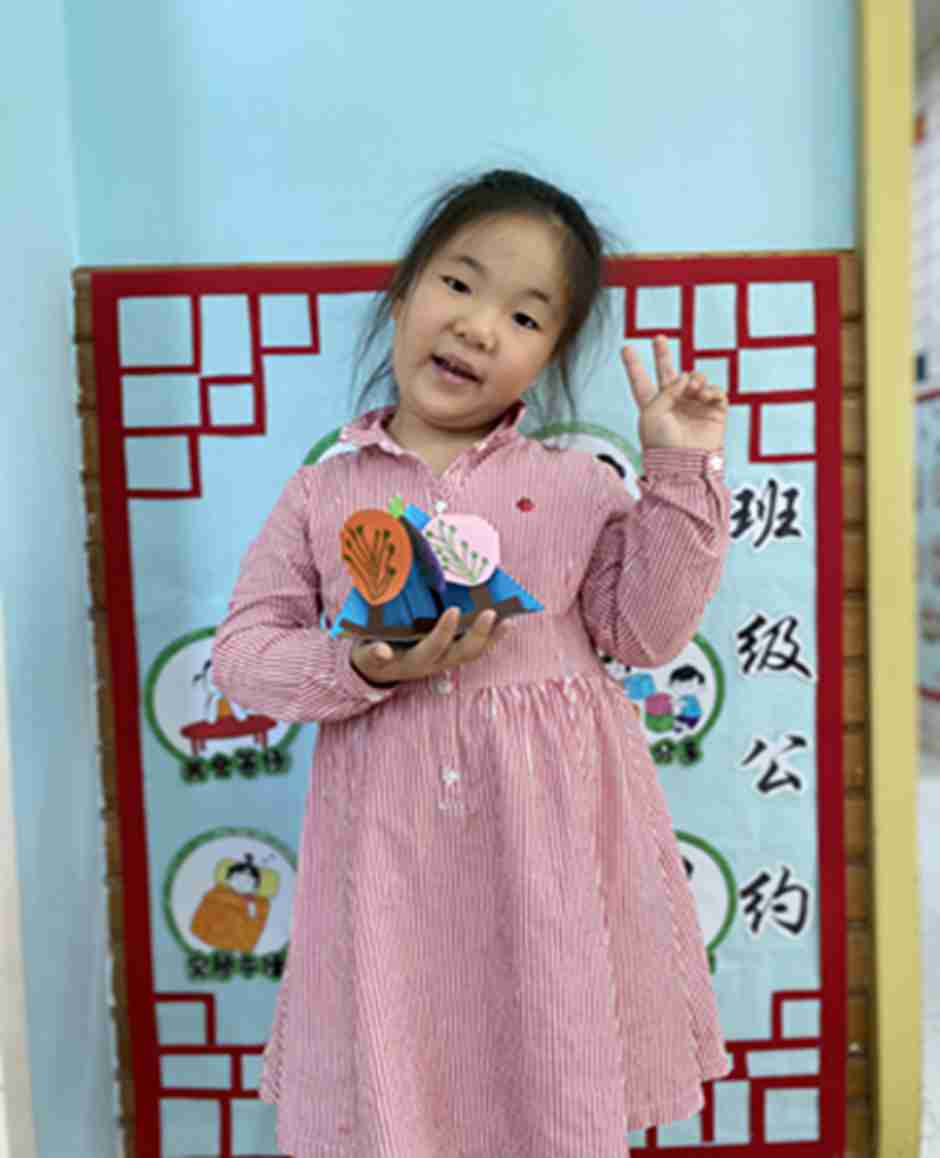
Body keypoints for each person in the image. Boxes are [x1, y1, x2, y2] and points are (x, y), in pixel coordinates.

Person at [212, 168, 732, 1158]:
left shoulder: (577, 486)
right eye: (458, 283)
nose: (479, 327)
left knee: (553, 1085)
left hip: (549, 865)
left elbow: (646, 633)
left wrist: (678, 464)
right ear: (402, 295)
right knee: (397, 1093)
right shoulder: (321, 494)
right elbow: (242, 657)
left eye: (525, 316)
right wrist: (363, 668)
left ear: (548, 357)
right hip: (388, 868)